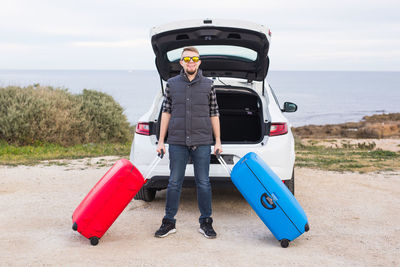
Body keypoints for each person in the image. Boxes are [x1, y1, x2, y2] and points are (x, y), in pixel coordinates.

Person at [155, 46, 222, 239]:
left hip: (202, 141)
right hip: (177, 141)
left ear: (199, 62)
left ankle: (206, 222)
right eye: (187, 59)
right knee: (174, 182)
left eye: (194, 58)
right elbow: (166, 112)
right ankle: (169, 222)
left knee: (204, 183)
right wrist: (161, 141)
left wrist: (217, 140)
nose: (191, 61)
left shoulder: (209, 84)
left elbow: (214, 113)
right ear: (181, 63)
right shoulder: (172, 83)